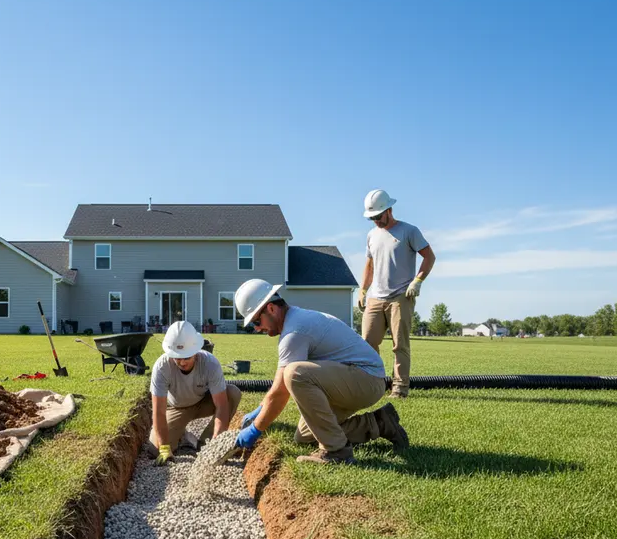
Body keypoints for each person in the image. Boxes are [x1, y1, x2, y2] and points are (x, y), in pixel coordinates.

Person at [232, 279, 409, 465]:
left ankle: (337, 451)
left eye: (256, 322)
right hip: (355, 379)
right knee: (306, 436)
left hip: (366, 379)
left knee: (294, 373)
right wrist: (260, 408)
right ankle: (380, 423)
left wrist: (255, 430)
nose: (258, 329)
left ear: (271, 309)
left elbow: (281, 392)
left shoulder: (294, 332)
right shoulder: (295, 321)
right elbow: (277, 388)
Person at [358, 189, 436, 399]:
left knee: (399, 344)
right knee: (367, 344)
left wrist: (418, 281)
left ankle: (399, 389)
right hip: (375, 297)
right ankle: (371, 385)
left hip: (401, 296)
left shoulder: (409, 231)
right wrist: (363, 289)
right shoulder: (372, 235)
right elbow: (370, 264)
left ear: (389, 210)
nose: (375, 221)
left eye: (378, 216)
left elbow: (429, 257)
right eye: (372, 218)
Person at [148, 320, 241, 464]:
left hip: (203, 402)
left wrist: (216, 446)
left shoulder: (210, 363)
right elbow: (159, 412)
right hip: (177, 408)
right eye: (177, 358)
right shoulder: (161, 367)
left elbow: (222, 406)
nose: (182, 362)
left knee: (232, 393)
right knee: (155, 449)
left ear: (196, 352)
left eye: (187, 357)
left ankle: (206, 444)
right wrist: (165, 448)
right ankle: (184, 436)